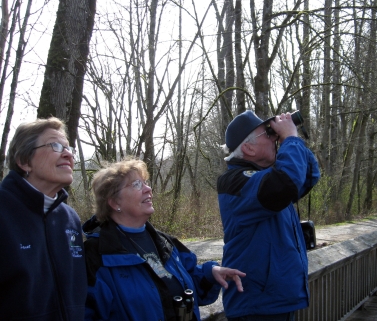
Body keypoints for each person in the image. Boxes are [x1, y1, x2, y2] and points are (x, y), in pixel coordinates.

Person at [83, 159, 245, 321]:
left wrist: (210, 273)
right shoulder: (96, 256)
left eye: (145, 182)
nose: (148, 189)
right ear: (114, 202)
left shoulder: (166, 242)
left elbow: (186, 281)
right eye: (137, 184)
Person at [217, 110, 320, 321]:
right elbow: (287, 183)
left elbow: (309, 175)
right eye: (267, 133)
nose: (274, 136)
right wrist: (290, 138)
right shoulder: (234, 182)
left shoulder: (267, 177)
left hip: (275, 300)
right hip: (257, 306)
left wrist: (292, 138)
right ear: (248, 148)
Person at [0, 117, 87, 320]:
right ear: (24, 160)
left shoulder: (70, 219)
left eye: (69, 148)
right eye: (55, 146)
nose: (68, 154)